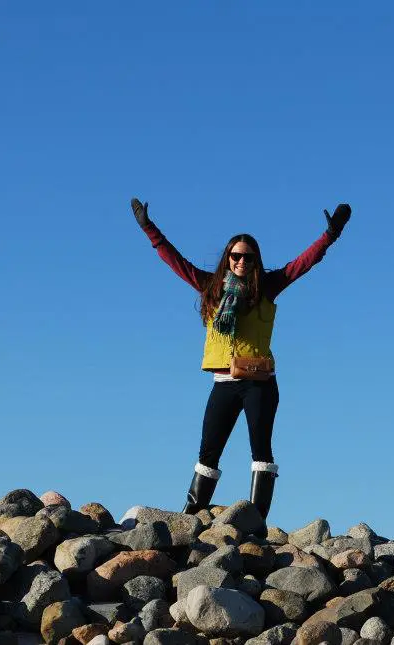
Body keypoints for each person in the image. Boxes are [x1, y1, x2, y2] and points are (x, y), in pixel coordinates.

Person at [131, 197, 352, 519]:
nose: (241, 262)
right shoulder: (210, 287)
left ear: (255, 260)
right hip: (223, 382)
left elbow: (305, 262)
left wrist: (330, 236)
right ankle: (192, 517)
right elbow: (174, 260)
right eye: (236, 256)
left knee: (261, 450)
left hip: (259, 383)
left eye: (248, 257)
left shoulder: (269, 286)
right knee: (208, 452)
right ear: (228, 258)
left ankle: (256, 520)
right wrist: (149, 228)